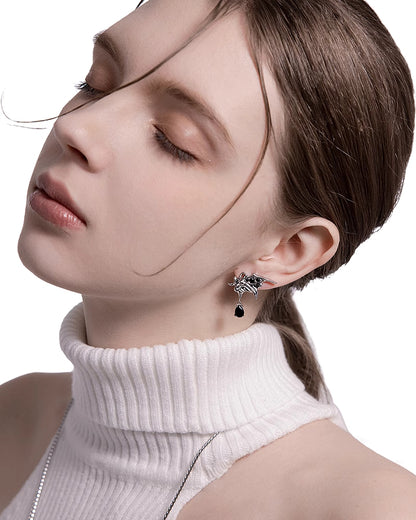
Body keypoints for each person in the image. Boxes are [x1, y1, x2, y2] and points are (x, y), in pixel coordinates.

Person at [1, 0, 415, 518]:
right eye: (96, 83)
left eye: (173, 141)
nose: (78, 128)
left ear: (285, 251)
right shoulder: (13, 422)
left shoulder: (370, 508)